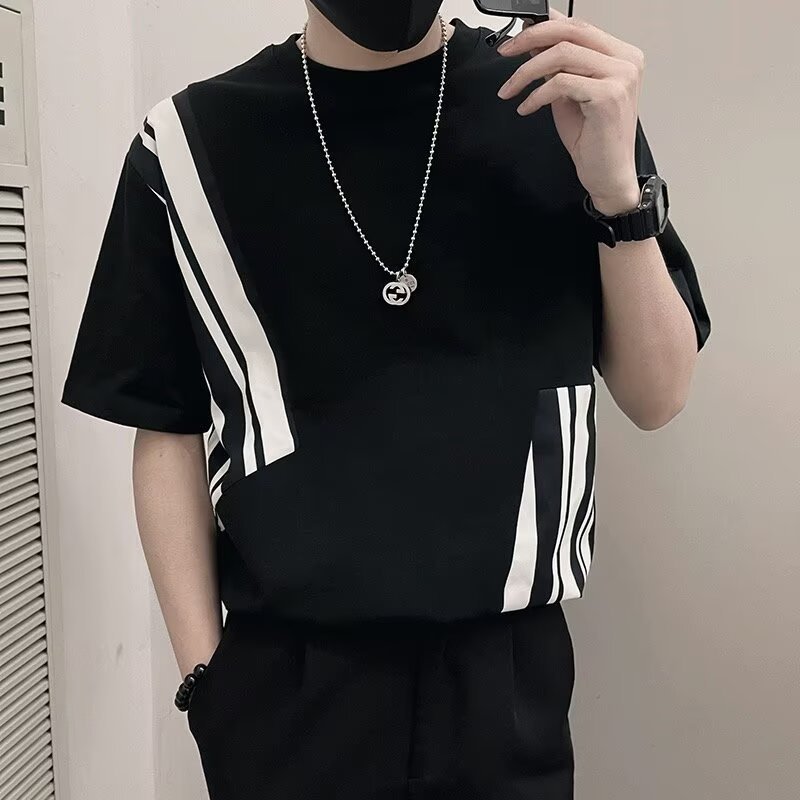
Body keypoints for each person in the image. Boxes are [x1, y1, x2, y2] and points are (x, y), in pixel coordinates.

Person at [60, 2, 711, 798]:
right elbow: (165, 423)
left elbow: (658, 395)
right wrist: (206, 680)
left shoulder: (560, 99)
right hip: (285, 687)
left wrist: (616, 193)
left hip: (507, 680)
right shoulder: (189, 144)